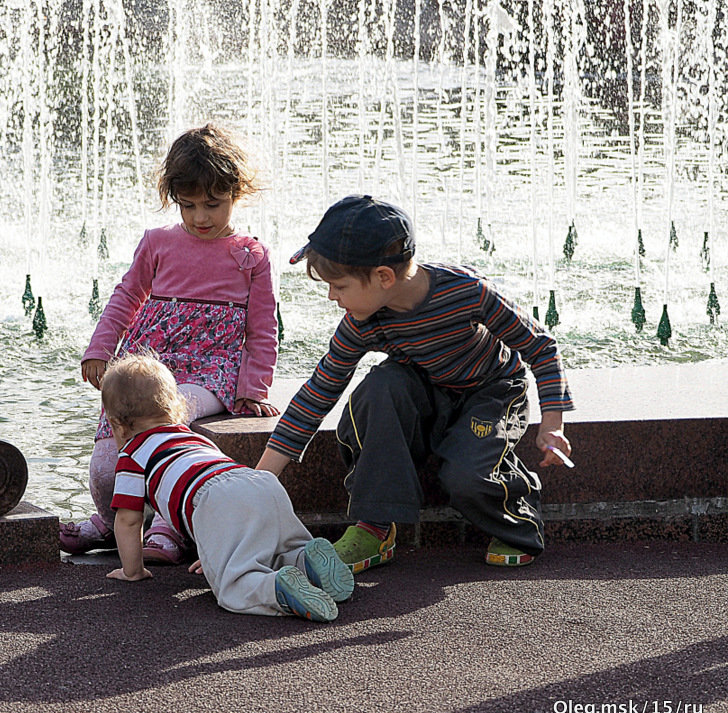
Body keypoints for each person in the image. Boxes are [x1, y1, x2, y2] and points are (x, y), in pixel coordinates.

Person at [255, 195, 575, 573]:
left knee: (464, 477)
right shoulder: (363, 321)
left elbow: (540, 346)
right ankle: (374, 528)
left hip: (491, 391)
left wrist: (552, 423)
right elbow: (318, 392)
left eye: (338, 286)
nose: (331, 296)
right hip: (428, 391)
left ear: (383, 277)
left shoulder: (467, 291)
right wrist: (260, 481)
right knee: (380, 386)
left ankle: (516, 515)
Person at [60, 123, 280, 564]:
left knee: (167, 411)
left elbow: (262, 328)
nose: (201, 217)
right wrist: (100, 350)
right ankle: (110, 518)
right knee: (110, 449)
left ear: (237, 194)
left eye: (213, 204)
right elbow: (125, 297)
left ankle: (166, 527)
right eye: (189, 205)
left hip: (209, 371)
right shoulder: (158, 243)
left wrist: (253, 388)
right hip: (151, 362)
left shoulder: (250, 255)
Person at [101, 353, 353, 622]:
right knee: (277, 552)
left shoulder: (132, 456)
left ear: (118, 425)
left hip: (218, 500)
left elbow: (128, 521)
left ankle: (273, 589)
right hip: (260, 482)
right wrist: (216, 548)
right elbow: (221, 489)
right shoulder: (194, 439)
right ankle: (306, 560)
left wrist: (133, 571)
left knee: (233, 585)